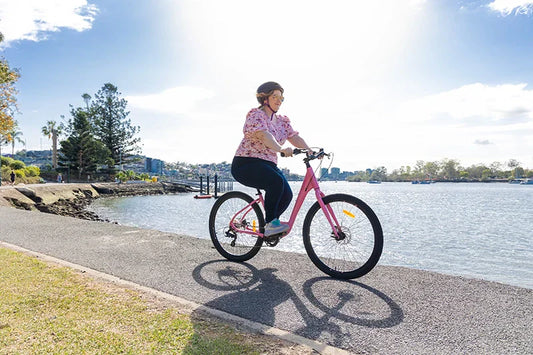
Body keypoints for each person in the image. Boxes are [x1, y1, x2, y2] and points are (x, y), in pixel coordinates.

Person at [231, 81, 312, 237]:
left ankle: (269, 224)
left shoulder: (281, 121)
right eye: (275, 96)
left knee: (287, 194)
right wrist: (280, 149)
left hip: (269, 165)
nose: (279, 100)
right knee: (276, 182)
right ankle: (270, 224)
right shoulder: (256, 115)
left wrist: (308, 150)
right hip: (246, 163)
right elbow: (264, 135)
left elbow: (294, 137)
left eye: (281, 98)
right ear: (264, 99)